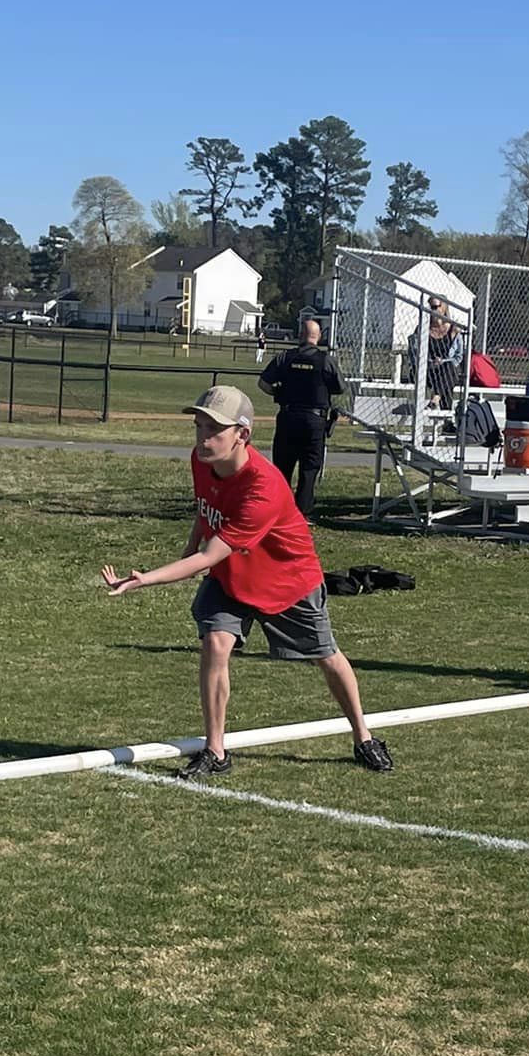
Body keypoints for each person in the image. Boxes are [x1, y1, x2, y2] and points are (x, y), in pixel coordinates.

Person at [100, 384, 394, 780]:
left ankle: (364, 736)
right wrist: (188, 547)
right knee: (216, 643)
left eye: (214, 430)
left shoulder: (264, 487)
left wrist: (145, 579)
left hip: (286, 581)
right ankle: (216, 750)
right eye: (199, 426)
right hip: (232, 576)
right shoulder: (201, 460)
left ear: (243, 434)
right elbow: (206, 512)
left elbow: (209, 556)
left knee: (326, 656)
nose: (203, 438)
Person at [258, 317, 343, 518]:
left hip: (288, 416)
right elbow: (339, 387)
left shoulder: (285, 357)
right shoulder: (326, 361)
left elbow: (263, 383)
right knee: (309, 468)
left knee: (283, 466)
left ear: (299, 336)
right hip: (315, 420)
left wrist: (279, 393)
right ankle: (302, 513)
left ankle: (280, 511)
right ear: (318, 337)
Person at [424, 298, 466, 409]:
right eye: (430, 307)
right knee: (448, 381)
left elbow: (458, 356)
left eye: (435, 306)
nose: (432, 310)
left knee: (448, 367)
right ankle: (446, 420)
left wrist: (443, 361)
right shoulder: (423, 329)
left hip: (447, 369)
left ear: (444, 307)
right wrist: (431, 362)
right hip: (429, 370)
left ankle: (436, 398)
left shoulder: (453, 330)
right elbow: (415, 352)